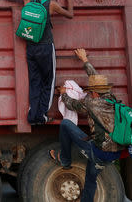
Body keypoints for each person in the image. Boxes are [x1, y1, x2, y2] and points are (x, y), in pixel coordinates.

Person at [49, 48, 125, 202]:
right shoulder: (112, 98)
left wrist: (63, 92)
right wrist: (84, 60)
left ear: (95, 93)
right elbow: (95, 76)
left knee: (65, 124)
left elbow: (71, 104)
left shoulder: (92, 104)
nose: (89, 93)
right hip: (114, 152)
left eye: (91, 91)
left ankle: (65, 160)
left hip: (99, 152)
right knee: (91, 180)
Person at [4, 0, 74, 124]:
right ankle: (41, 115)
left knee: (35, 82)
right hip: (46, 47)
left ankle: (32, 115)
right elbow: (70, 15)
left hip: (30, 47)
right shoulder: (52, 5)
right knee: (48, 81)